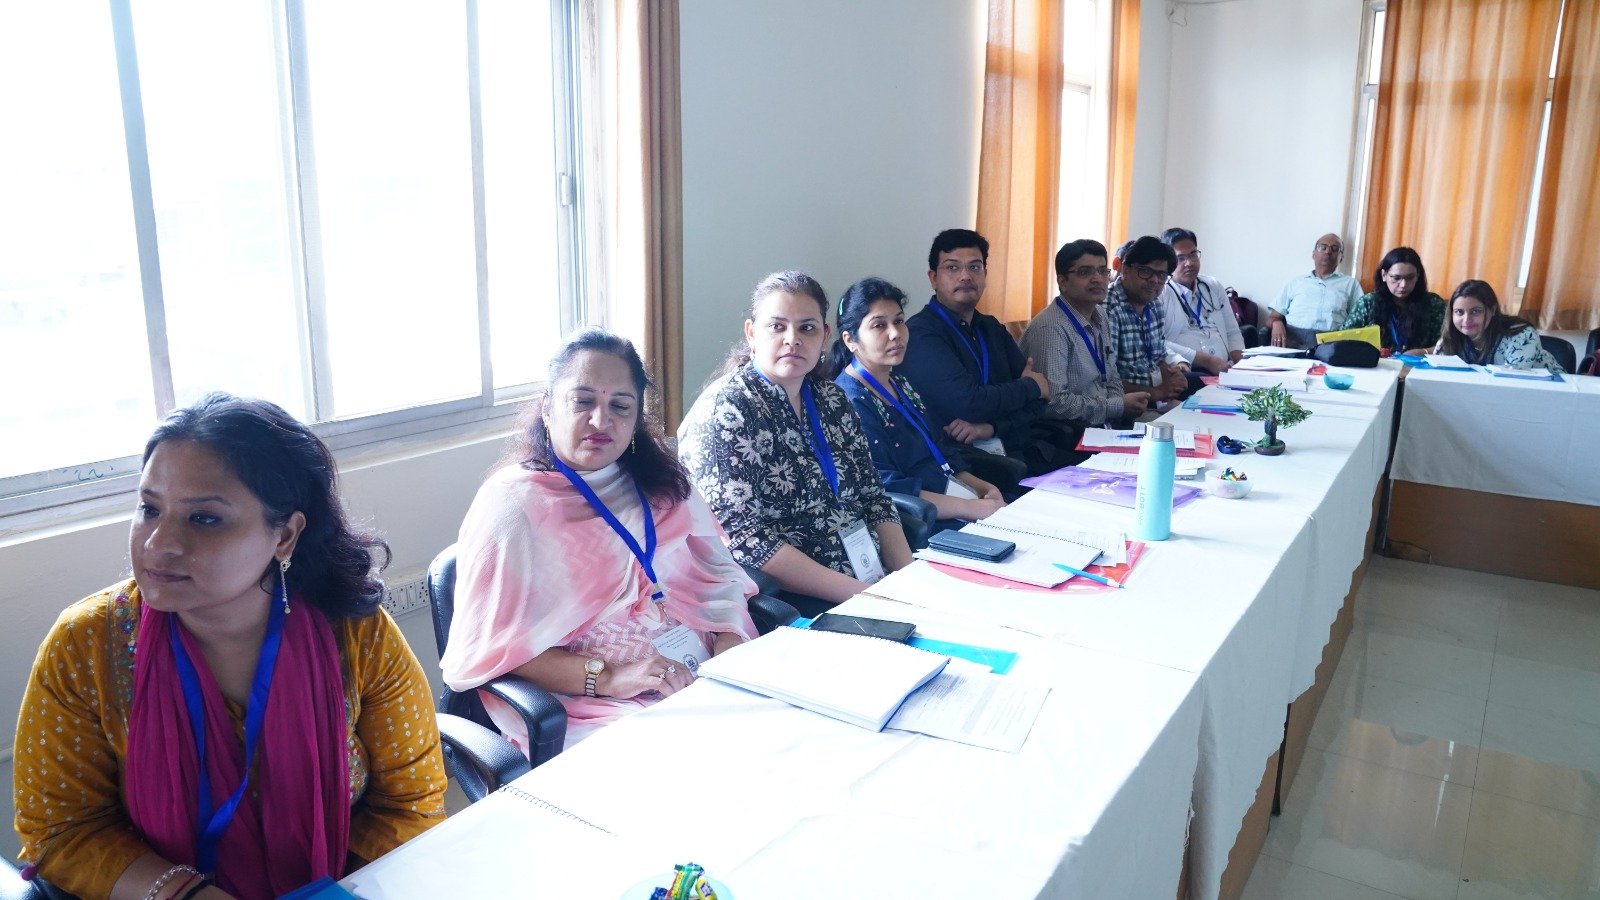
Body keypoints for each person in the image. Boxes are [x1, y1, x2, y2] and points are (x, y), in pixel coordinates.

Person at [14, 394, 446, 900]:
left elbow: (410, 802)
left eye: (204, 518)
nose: (157, 543)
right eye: (149, 509)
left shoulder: (354, 636)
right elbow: (61, 829)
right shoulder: (84, 645)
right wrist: (187, 895)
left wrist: (338, 893)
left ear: (285, 535)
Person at [441, 329, 758, 752]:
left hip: (704, 677)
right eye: (583, 401)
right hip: (594, 705)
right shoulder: (514, 506)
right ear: (548, 408)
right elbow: (489, 651)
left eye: (620, 406)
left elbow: (720, 578)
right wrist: (607, 677)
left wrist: (730, 646)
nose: (600, 421)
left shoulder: (662, 485)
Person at [678, 271, 912, 618]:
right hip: (805, 600)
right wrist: (866, 597)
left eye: (807, 328)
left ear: (825, 336)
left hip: (872, 578)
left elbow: (873, 496)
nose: (793, 339)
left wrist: (908, 581)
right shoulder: (726, 412)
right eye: (777, 326)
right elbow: (746, 540)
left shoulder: (832, 399)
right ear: (751, 333)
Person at [829, 276, 1006, 530]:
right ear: (850, 340)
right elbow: (886, 487)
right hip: (916, 522)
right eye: (879, 325)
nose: (895, 334)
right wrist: (970, 508)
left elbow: (939, 447)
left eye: (899, 321)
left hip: (953, 498)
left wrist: (982, 488)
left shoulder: (900, 382)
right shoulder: (847, 402)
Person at [896, 229, 1060, 484]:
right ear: (933, 278)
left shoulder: (992, 328)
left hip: (1017, 453)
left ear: (985, 274)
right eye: (952, 268)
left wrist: (991, 427)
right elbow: (969, 403)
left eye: (975, 267)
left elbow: (1039, 403)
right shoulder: (920, 334)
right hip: (964, 468)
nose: (965, 276)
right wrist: (1030, 386)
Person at [1020, 239, 1151, 430]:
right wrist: (1116, 407)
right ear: (1063, 282)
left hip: (1104, 423)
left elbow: (1111, 376)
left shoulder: (1100, 315)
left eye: (1102, 271)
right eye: (1085, 272)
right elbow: (1054, 403)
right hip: (1069, 432)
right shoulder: (1051, 328)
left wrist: (1117, 410)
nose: (1097, 279)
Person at [1104, 235, 1193, 402]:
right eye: (1145, 271)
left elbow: (1157, 358)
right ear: (1125, 270)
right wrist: (1157, 393)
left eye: (1162, 275)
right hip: (1124, 406)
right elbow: (1105, 381)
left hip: (1155, 399)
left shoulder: (1155, 305)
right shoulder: (1108, 310)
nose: (1154, 280)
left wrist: (1172, 375)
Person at [1159, 227, 1243, 373]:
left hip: (1225, 368)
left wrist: (1243, 367)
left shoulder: (1213, 286)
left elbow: (1232, 332)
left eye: (1193, 255)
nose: (1190, 263)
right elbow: (1157, 343)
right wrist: (1206, 361)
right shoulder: (1160, 291)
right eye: (1181, 258)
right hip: (1188, 370)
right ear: (1168, 262)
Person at [1436, 280, 1564, 373]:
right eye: (1459, 312)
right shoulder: (1450, 339)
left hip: (1552, 394)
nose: (1466, 319)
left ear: (1492, 310)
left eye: (1476, 311)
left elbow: (1512, 383)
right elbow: (1437, 375)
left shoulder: (1521, 335)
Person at [1341, 246, 1446, 354]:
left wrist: (1422, 351)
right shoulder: (1367, 303)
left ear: (1418, 275)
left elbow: (1447, 343)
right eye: (1396, 278)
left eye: (1410, 278)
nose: (1403, 285)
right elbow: (1343, 340)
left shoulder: (1433, 304)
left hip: (1419, 363)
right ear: (1384, 275)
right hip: (1376, 362)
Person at [1268, 233, 1363, 348]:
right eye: (1323, 247)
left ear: (1341, 258)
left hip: (1332, 344)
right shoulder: (1296, 283)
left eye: (1334, 249)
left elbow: (1360, 320)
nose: (1328, 252)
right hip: (1292, 341)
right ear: (1313, 254)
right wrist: (1276, 323)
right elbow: (1273, 317)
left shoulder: (1351, 284)